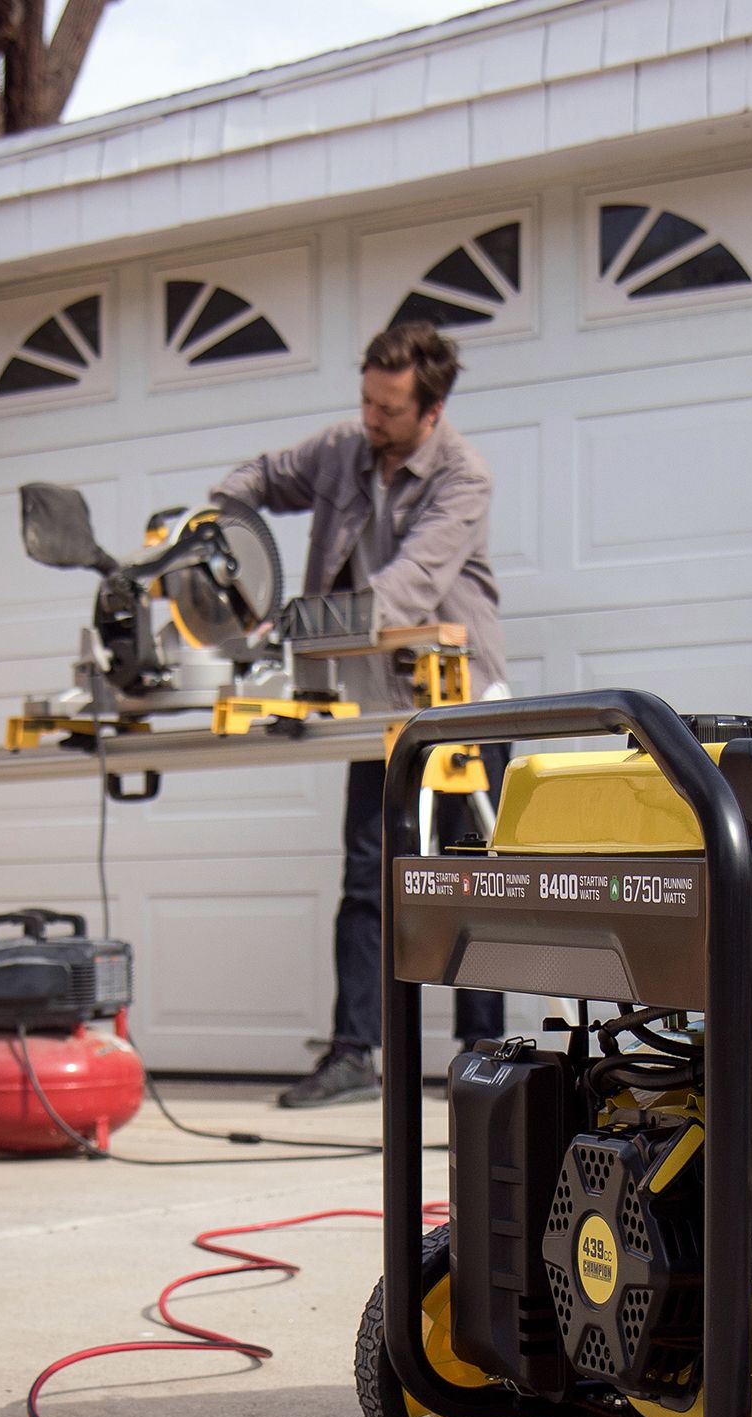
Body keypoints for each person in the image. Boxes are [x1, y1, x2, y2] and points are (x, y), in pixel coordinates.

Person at [213, 322, 507, 1107]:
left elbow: (408, 586)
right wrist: (221, 539)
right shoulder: (344, 448)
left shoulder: (463, 477)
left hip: (459, 707)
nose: (371, 419)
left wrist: (301, 623)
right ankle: (354, 1055)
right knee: (367, 882)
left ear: (431, 411)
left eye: (389, 409)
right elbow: (258, 478)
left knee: (472, 884)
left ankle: (485, 1061)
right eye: (367, 401)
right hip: (377, 712)